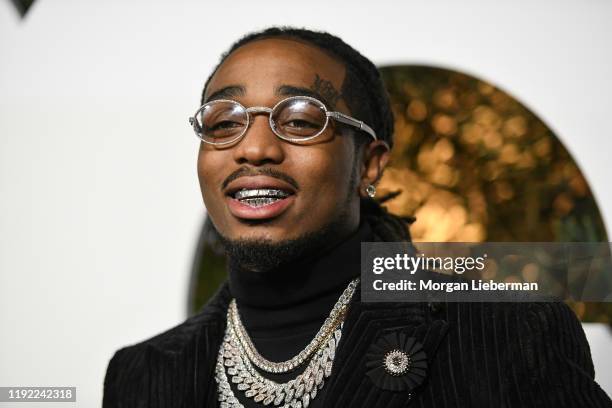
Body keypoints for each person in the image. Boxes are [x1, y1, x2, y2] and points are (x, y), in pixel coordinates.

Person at [102, 27, 612, 407]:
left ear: (369, 162)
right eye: (224, 122)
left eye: (300, 120)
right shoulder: (141, 376)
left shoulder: (508, 335)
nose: (254, 147)